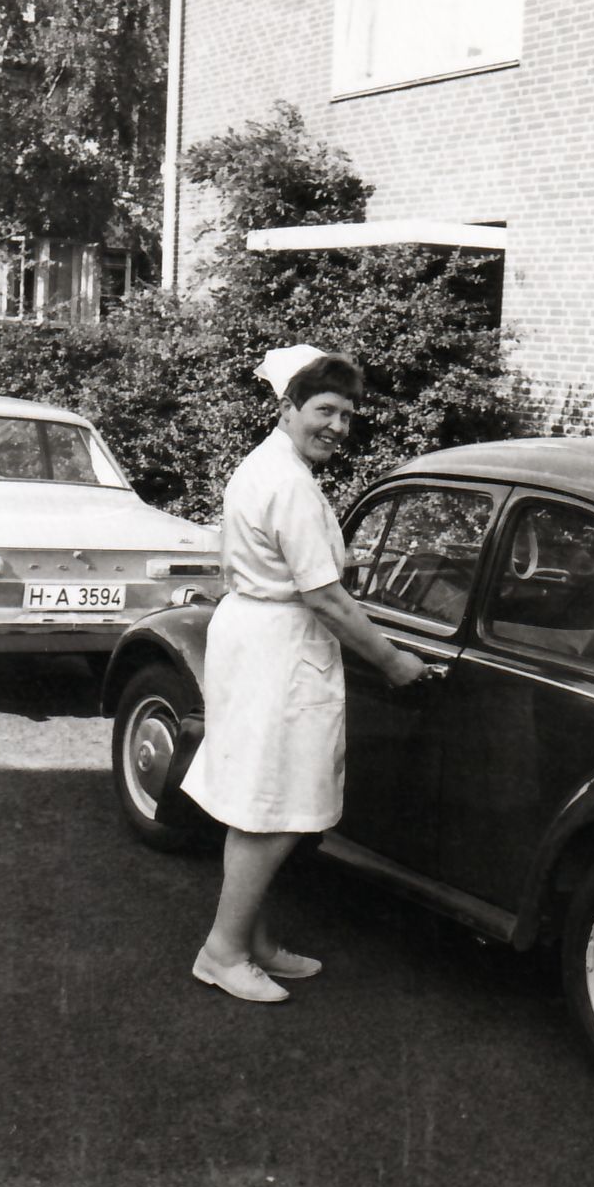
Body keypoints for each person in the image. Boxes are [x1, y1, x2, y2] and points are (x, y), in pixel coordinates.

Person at [181, 343, 429, 1002]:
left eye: (347, 415)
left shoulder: (272, 465)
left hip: (259, 635)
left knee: (262, 798)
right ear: (288, 407)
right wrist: (392, 660)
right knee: (274, 807)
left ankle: (253, 942)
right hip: (278, 649)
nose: (338, 426)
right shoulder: (287, 482)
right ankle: (222, 952)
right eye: (325, 410)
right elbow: (325, 596)